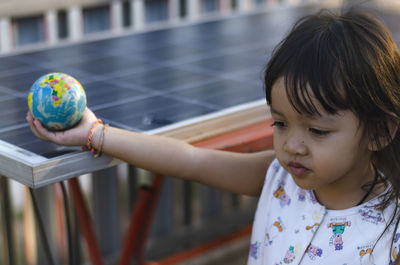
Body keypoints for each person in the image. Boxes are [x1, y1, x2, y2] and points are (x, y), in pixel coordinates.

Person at [27, 8, 400, 265]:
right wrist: (95, 133)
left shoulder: (392, 227)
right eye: (280, 123)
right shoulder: (281, 178)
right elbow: (193, 160)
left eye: (317, 131)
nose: (291, 145)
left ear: (381, 131)